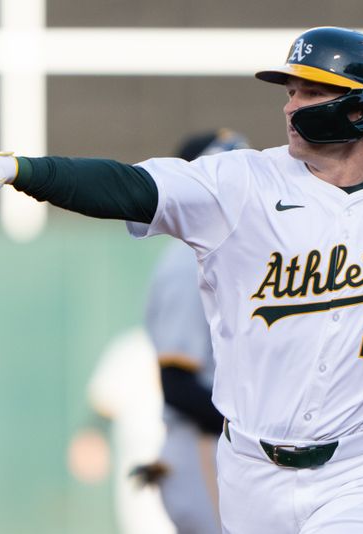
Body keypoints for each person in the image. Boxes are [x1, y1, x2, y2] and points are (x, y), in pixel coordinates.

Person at [0, 26, 363, 534]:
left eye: (311, 92)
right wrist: (22, 170)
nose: (292, 107)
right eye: (290, 92)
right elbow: (129, 187)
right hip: (250, 471)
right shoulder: (239, 183)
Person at [132, 129, 250, 534]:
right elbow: (178, 385)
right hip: (201, 446)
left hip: (224, 445)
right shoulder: (186, 262)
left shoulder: (234, 255)